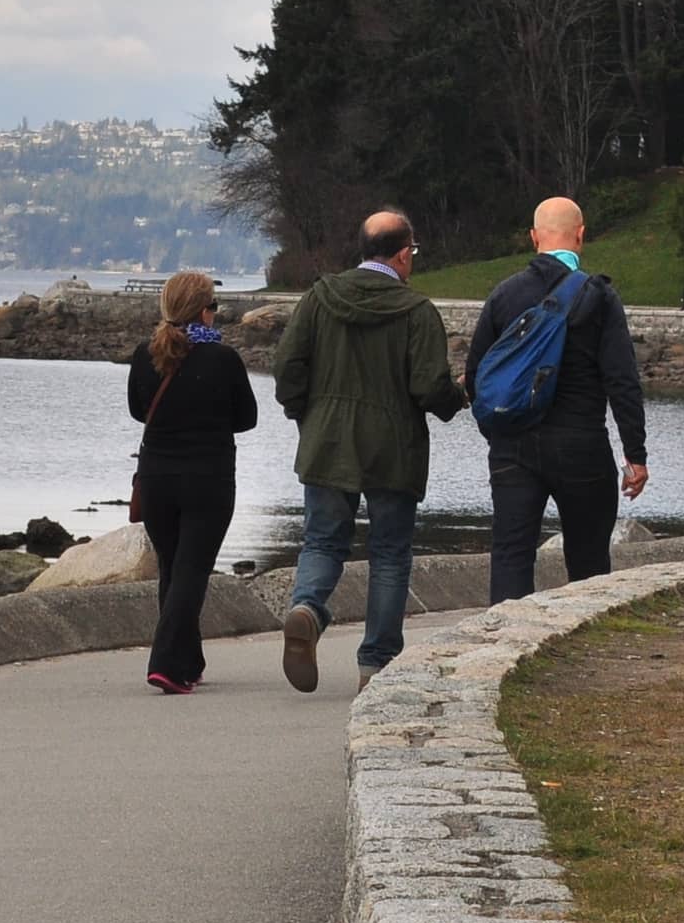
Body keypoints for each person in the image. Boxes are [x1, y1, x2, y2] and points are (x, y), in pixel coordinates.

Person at [270, 207, 460, 693]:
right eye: (412, 252)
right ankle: (376, 663)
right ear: (402, 254)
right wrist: (460, 396)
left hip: (327, 440)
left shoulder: (319, 298)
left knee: (322, 541)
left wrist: (305, 417)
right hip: (393, 448)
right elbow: (429, 388)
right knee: (391, 554)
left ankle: (307, 607)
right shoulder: (417, 312)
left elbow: (288, 366)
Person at [466, 196, 650, 602]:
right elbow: (622, 381)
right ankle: (582, 650)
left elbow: (476, 375)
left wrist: (496, 434)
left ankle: (504, 645)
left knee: (512, 554)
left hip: (513, 446)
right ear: (581, 236)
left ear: (534, 238)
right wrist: (635, 455)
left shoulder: (504, 295)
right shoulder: (599, 297)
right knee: (588, 561)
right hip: (581, 444)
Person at [123, 268, 257, 695]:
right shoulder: (223, 360)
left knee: (173, 567)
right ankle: (165, 662)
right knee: (192, 570)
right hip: (208, 478)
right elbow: (247, 418)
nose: (216, 314)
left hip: (157, 477)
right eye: (214, 306)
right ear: (203, 312)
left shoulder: (146, 355)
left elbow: (136, 410)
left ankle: (189, 658)